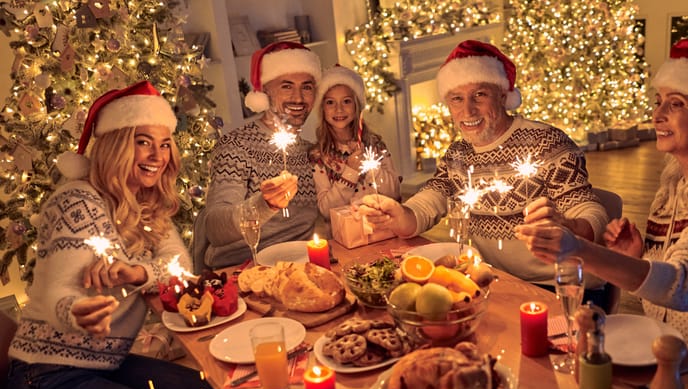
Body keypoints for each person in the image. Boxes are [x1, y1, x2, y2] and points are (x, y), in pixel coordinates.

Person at [5, 81, 236, 389]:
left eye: (164, 144)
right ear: (113, 147)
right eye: (142, 142)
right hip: (49, 381)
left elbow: (180, 274)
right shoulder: (78, 201)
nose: (157, 155)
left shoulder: (150, 204)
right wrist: (78, 312)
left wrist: (136, 273)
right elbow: (59, 290)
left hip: (103, 367)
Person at [516, 39, 688, 376]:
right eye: (658, 101)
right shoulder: (675, 182)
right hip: (671, 357)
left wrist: (580, 250)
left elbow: (687, 285)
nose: (657, 115)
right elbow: (665, 300)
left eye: (675, 104)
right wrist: (635, 259)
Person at [358, 40, 609, 303]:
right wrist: (400, 215)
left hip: (563, 290)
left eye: (479, 95)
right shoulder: (458, 154)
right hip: (497, 283)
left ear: (502, 95)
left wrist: (569, 226)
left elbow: (593, 213)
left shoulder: (546, 143)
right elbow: (430, 200)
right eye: (457, 99)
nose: (468, 110)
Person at [199, 41, 322, 270]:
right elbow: (215, 228)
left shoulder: (310, 151)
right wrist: (265, 204)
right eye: (286, 86)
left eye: (307, 87)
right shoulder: (236, 146)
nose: (298, 98)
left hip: (301, 265)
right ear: (264, 91)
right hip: (242, 267)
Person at [309, 64, 401, 218]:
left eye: (346, 101)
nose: (339, 109)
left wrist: (370, 165)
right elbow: (326, 210)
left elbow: (394, 192)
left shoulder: (375, 146)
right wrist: (351, 171)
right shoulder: (319, 156)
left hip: (383, 228)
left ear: (357, 105)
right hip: (347, 235)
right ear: (322, 109)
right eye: (330, 102)